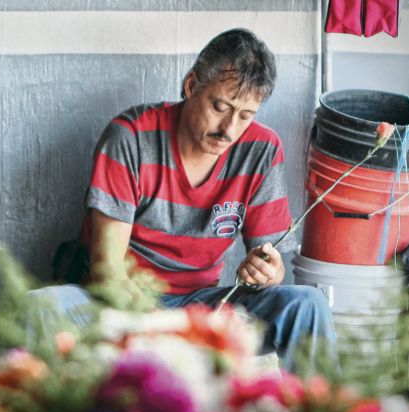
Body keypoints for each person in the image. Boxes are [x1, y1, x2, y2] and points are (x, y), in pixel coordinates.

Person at [37, 28, 336, 373]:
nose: (229, 129)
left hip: (201, 304)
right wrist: (168, 330)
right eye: (220, 106)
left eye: (245, 115)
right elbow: (108, 272)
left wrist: (267, 271)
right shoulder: (131, 138)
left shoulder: (261, 150)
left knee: (307, 304)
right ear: (191, 85)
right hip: (119, 303)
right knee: (42, 307)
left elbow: (270, 265)